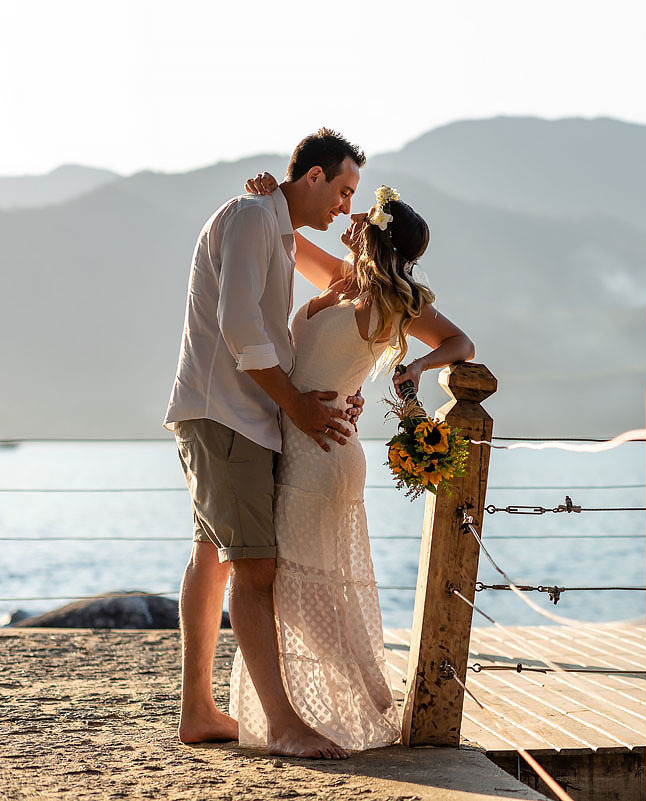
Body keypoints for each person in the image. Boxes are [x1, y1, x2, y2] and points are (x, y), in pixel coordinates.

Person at [229, 171, 474, 751]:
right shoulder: (350, 284)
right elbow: (290, 244)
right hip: (309, 443)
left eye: (364, 215)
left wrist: (415, 369)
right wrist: (271, 200)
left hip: (321, 453)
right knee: (314, 583)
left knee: (301, 585)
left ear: (376, 236)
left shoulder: (389, 301)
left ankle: (369, 698)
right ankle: (371, 692)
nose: (352, 216)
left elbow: (462, 345)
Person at [165, 129, 367, 760]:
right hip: (230, 418)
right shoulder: (254, 217)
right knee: (256, 571)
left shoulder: (270, 226)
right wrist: (299, 408)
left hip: (228, 415)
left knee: (213, 556)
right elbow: (240, 327)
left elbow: (280, 329)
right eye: (342, 190)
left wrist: (325, 393)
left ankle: (198, 711)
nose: (343, 207)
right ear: (312, 177)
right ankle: (284, 724)